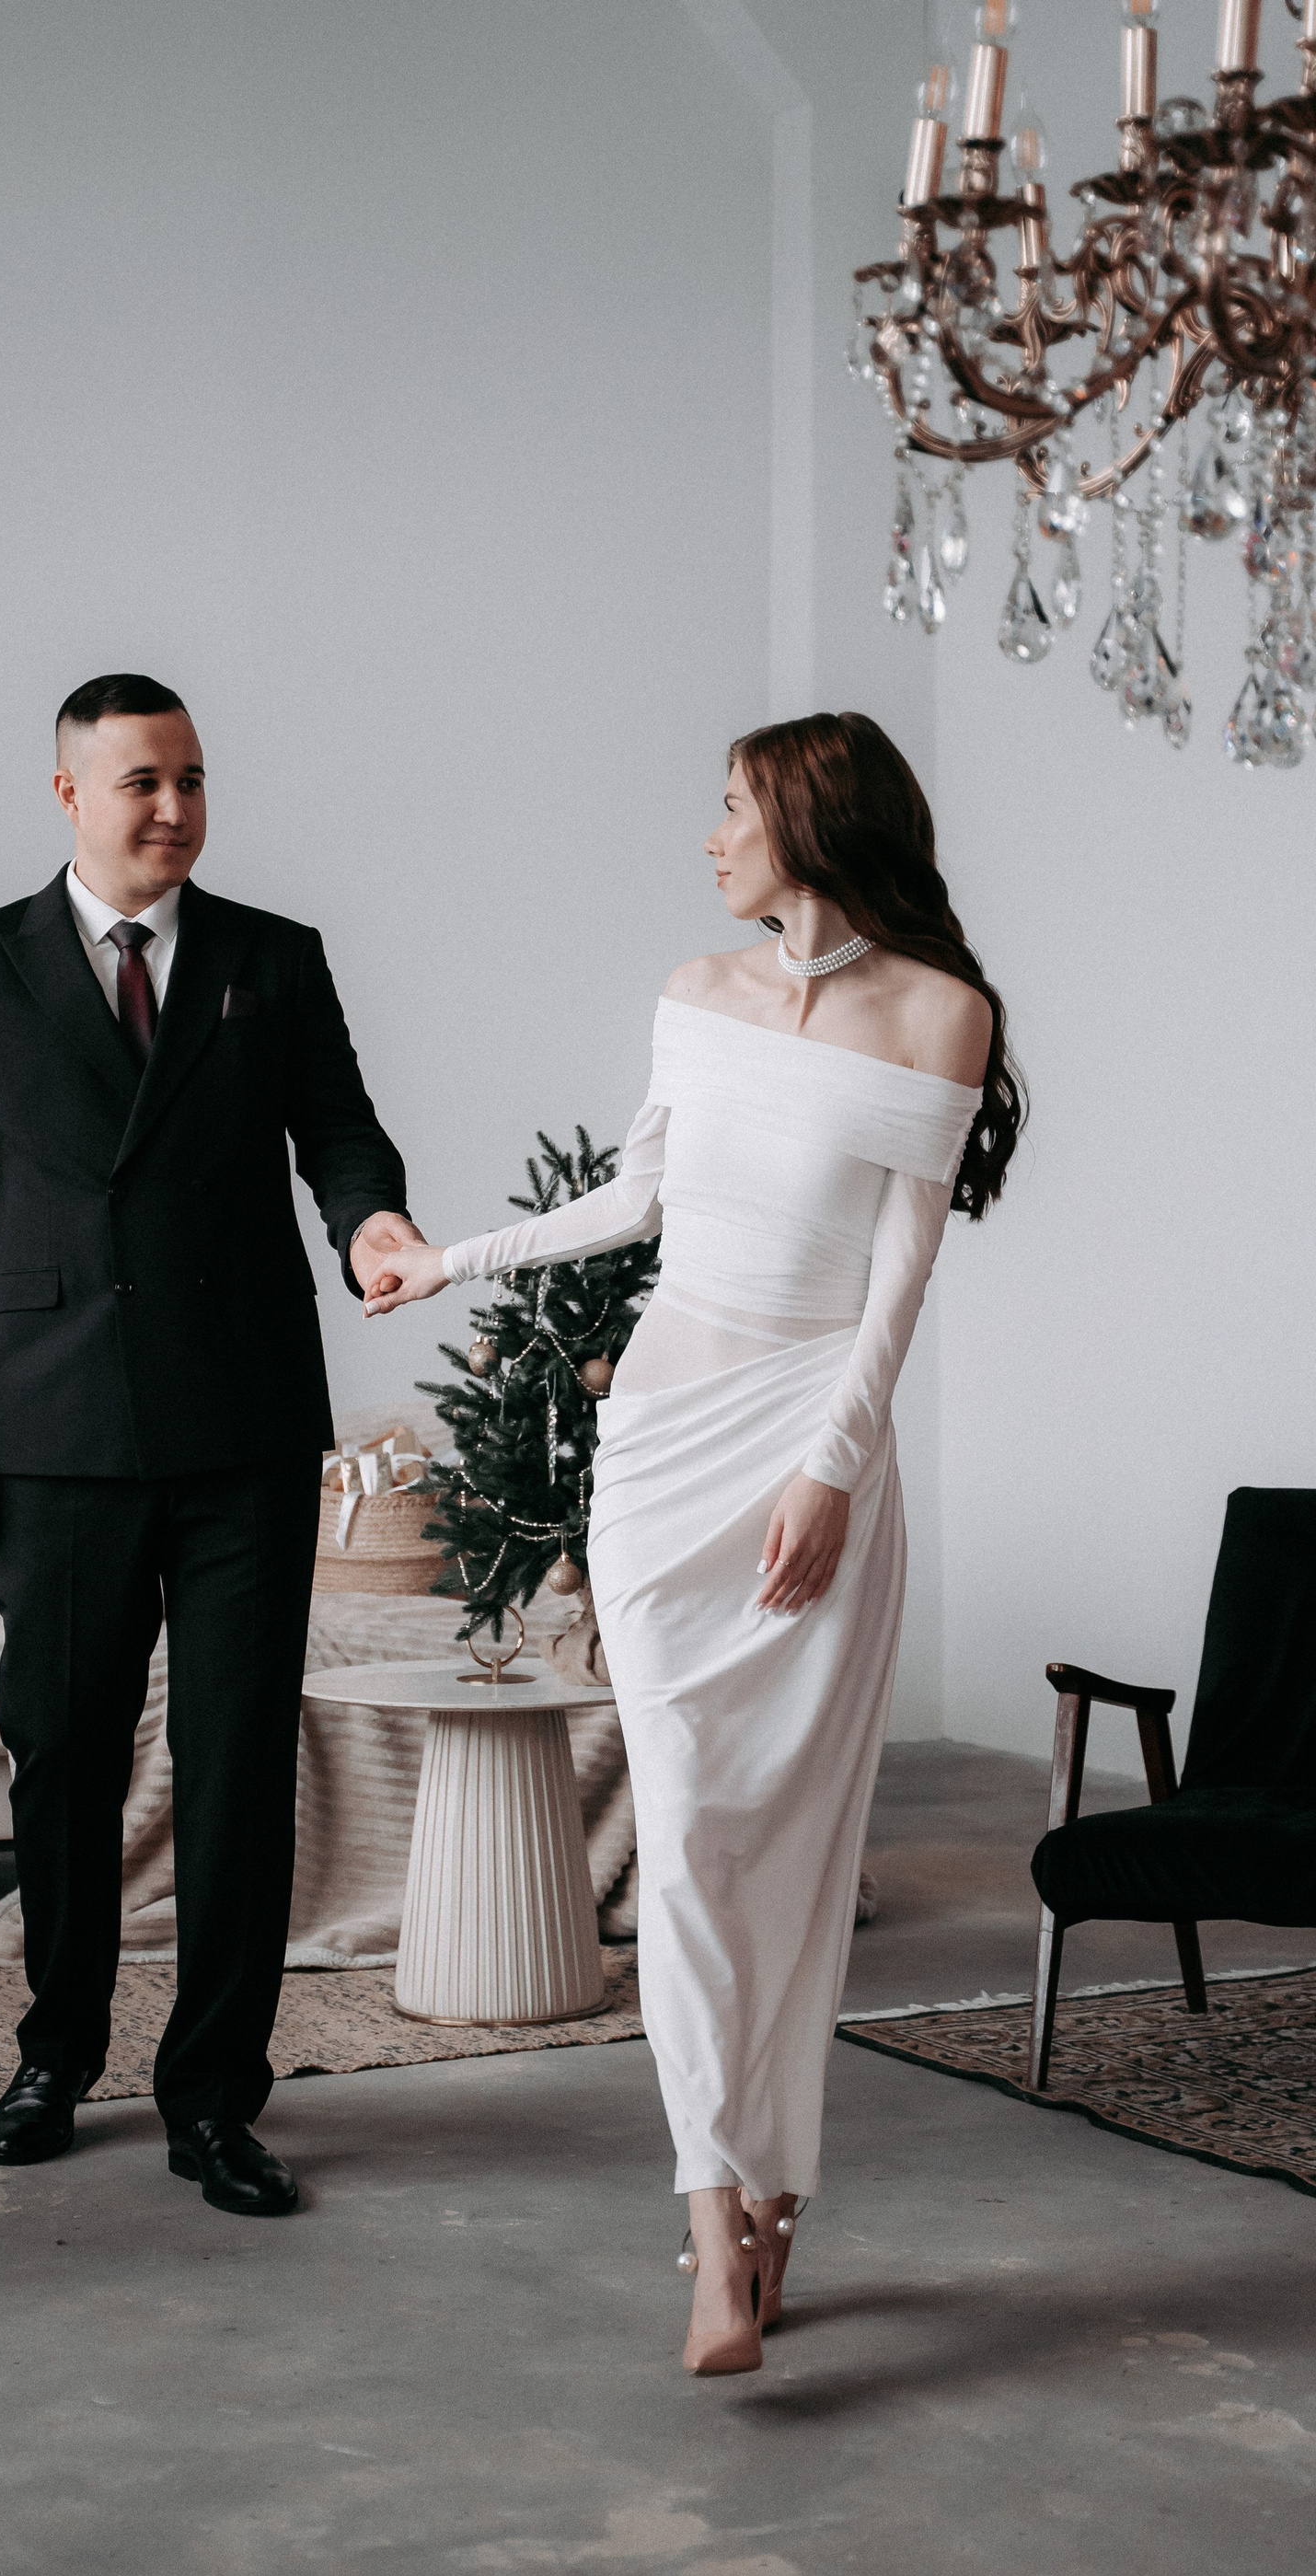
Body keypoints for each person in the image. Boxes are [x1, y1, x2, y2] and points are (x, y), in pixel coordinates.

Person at [367, 711, 1022, 2370]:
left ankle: (776, 2194)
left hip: (809, 1454)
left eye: (731, 807)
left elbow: (899, 1282)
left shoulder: (939, 1014)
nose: (711, 836)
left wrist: (832, 1469)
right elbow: (636, 1203)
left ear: (809, 818)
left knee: (790, 1847)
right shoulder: (696, 991)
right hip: (660, 1459)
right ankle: (715, 2226)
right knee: (682, 1848)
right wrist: (452, 1261)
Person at [0, 673, 421, 2213]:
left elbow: (339, 1128)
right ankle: (55, 2053)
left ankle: (215, 2098)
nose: (175, 809)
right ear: (70, 793)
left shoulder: (271, 955)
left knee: (240, 1767)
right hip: (57, 1428)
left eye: (191, 780)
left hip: (244, 1418)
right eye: (142, 783)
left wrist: (372, 1219)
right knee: (62, 1758)